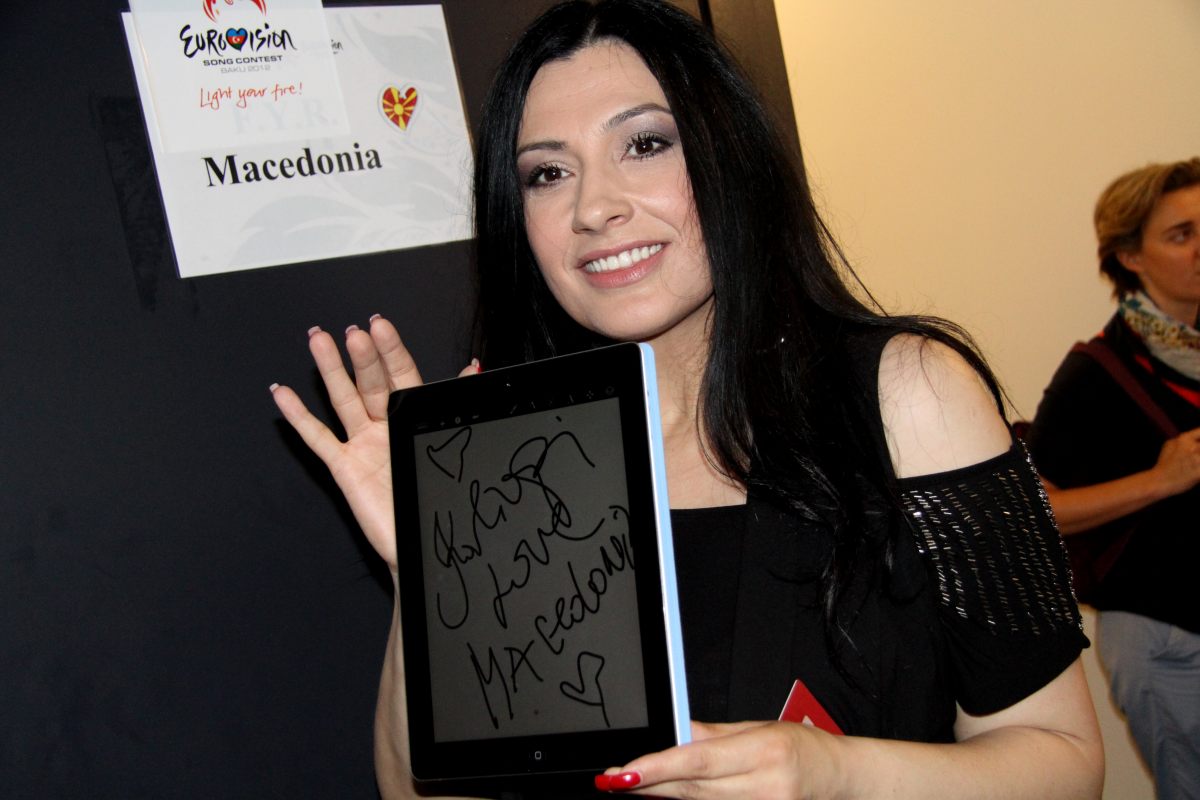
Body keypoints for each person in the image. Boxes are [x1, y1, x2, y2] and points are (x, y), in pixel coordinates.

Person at [270, 1, 1103, 797]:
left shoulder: (907, 395)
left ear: (727, 152)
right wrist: (428, 566)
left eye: (645, 144)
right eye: (548, 173)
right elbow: (425, 795)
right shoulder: (516, 460)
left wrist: (833, 775)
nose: (595, 207)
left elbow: (1063, 761)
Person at [1026, 158, 1200, 800]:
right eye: (1181, 235)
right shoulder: (1097, 371)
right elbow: (1032, 510)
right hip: (1168, 638)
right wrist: (1160, 480)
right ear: (1130, 256)